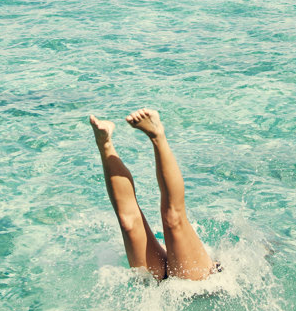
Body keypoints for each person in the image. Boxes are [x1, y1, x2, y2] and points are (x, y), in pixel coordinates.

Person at [89, 108, 215, 281]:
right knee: (149, 221)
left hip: (172, 287)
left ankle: (121, 142)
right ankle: (119, 142)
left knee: (156, 220)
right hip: (200, 283)